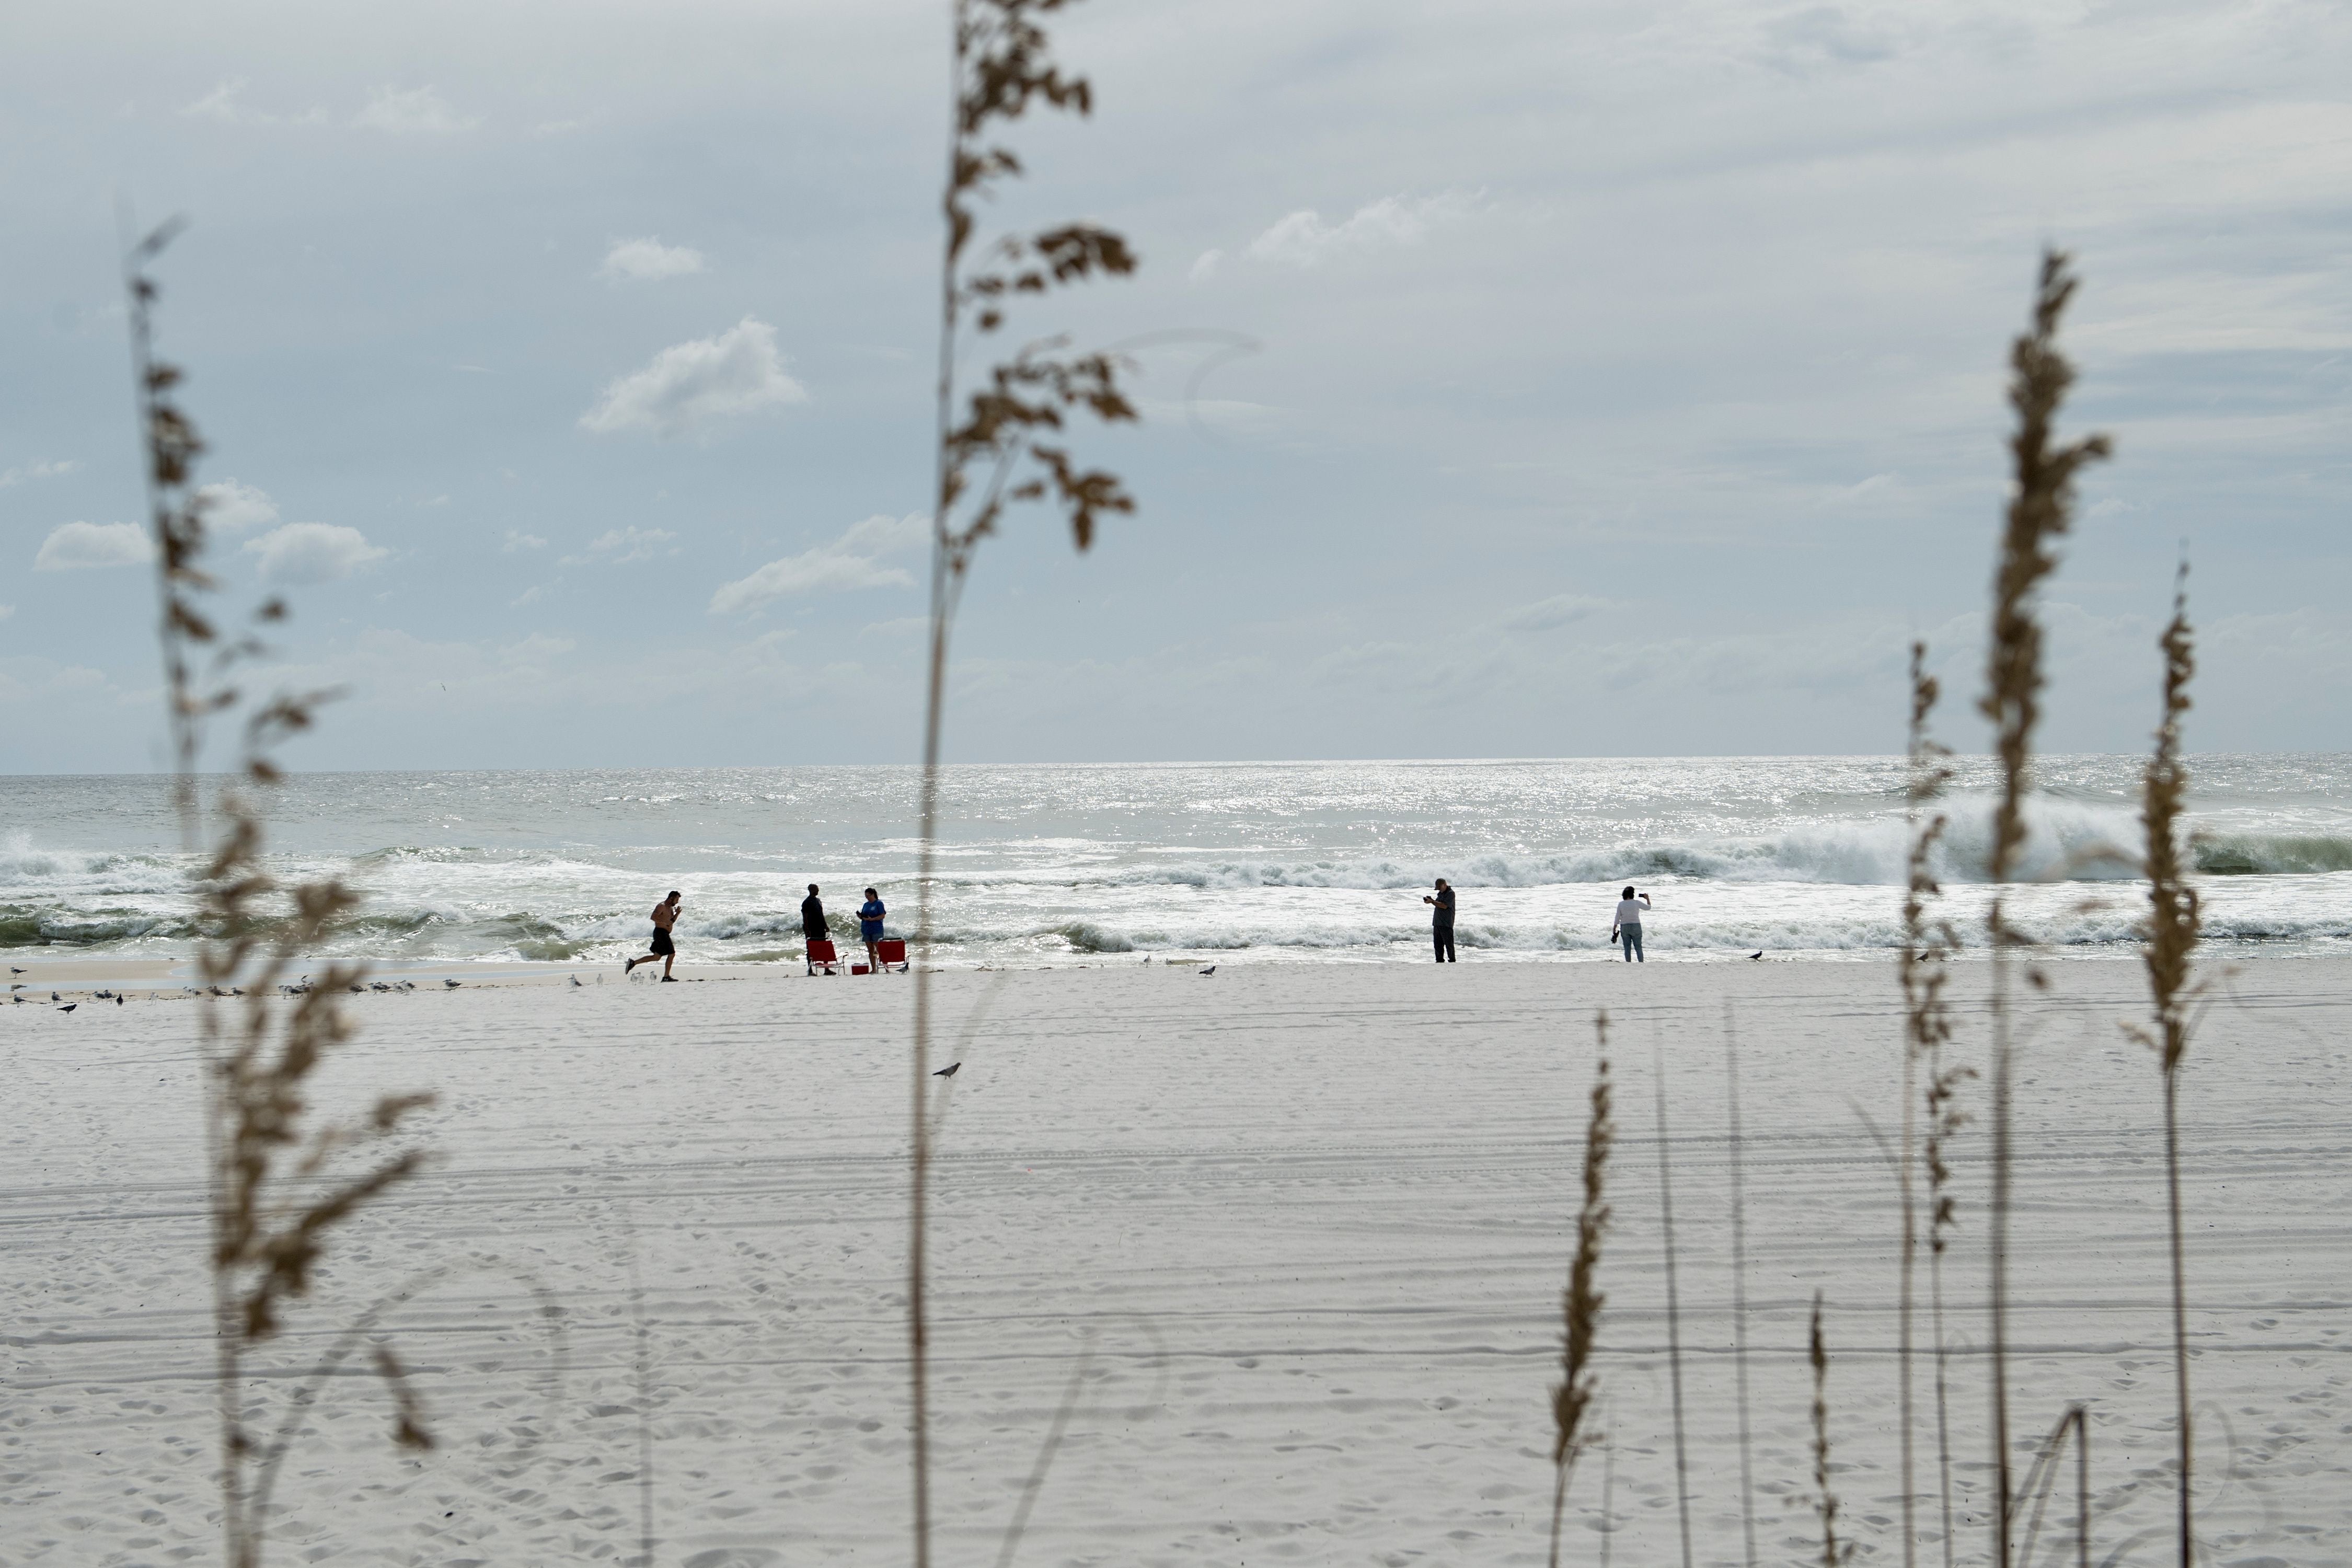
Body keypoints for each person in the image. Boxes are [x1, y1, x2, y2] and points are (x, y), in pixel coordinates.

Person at [626, 891, 684, 980]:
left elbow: (671, 922)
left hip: (664, 934)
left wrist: (677, 914)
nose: (677, 902)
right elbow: (653, 917)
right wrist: (664, 922)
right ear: (671, 898)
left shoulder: (670, 908)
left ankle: (633, 963)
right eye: (676, 899)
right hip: (660, 933)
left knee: (657, 957)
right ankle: (666, 977)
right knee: (672, 954)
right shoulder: (662, 906)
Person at [1612, 885, 1651, 963]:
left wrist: (1614, 928)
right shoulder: (1636, 903)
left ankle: (1628, 963)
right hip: (1636, 926)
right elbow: (1648, 907)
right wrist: (1647, 899)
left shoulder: (1621, 904)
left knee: (1627, 948)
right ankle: (1641, 963)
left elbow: (1617, 917)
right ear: (1632, 894)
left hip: (1625, 927)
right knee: (1638, 948)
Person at [1423, 877, 1456, 962]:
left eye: (1440, 888)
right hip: (1437, 922)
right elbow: (1438, 904)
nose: (1439, 890)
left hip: (1446, 923)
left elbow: (1444, 906)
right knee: (1437, 945)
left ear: (1444, 885)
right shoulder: (1440, 894)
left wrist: (1432, 902)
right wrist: (1432, 901)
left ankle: (1452, 960)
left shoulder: (1451, 893)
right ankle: (1439, 960)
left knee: (1449, 945)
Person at [858, 886, 887, 973]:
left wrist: (873, 919)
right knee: (870, 950)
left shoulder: (879, 903)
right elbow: (864, 915)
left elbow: (883, 915)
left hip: (876, 929)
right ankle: (874, 969)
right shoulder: (866, 904)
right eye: (866, 896)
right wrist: (861, 917)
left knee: (879, 949)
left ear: (873, 895)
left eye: (868, 896)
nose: (867, 898)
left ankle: (886, 968)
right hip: (866, 928)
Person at [801, 884, 827, 949]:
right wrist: (807, 930)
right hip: (812, 928)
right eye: (816, 889)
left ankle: (821, 958)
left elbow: (821, 914)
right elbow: (805, 917)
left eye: (818, 889)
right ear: (811, 890)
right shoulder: (807, 902)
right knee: (812, 946)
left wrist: (825, 926)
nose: (818, 890)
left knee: (822, 945)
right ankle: (811, 959)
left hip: (820, 927)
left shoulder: (818, 900)